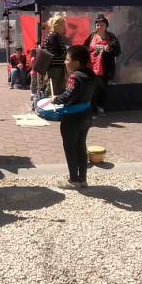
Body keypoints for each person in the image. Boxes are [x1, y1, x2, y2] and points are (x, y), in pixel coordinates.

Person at [52, 45, 97, 189]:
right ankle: (83, 179)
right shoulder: (91, 75)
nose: (65, 62)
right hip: (87, 116)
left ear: (76, 63)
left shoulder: (74, 77)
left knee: (70, 148)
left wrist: (56, 99)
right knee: (81, 147)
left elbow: (68, 95)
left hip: (72, 119)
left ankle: (73, 180)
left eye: (67, 59)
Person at [83, 14, 121, 114]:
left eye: (102, 25)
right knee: (91, 88)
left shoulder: (111, 37)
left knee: (102, 88)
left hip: (104, 68)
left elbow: (117, 51)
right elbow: (85, 48)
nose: (99, 27)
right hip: (91, 67)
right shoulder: (91, 36)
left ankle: (100, 107)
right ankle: (90, 107)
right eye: (97, 25)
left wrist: (110, 49)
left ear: (106, 26)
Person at [43, 15, 68, 97]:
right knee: (52, 88)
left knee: (58, 88)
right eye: (62, 25)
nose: (64, 27)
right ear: (56, 26)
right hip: (54, 67)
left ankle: (55, 103)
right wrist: (66, 54)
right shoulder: (53, 36)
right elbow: (56, 51)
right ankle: (44, 103)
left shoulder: (57, 36)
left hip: (58, 66)